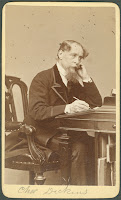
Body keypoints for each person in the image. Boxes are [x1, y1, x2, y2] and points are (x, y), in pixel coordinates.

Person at [26, 40, 102, 185]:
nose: (77, 61)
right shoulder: (42, 78)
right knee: (79, 148)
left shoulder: (74, 80)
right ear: (60, 54)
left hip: (64, 134)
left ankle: (93, 192)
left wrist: (86, 78)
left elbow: (96, 103)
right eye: (73, 55)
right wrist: (67, 108)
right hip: (42, 135)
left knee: (96, 144)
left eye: (80, 58)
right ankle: (77, 193)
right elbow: (36, 111)